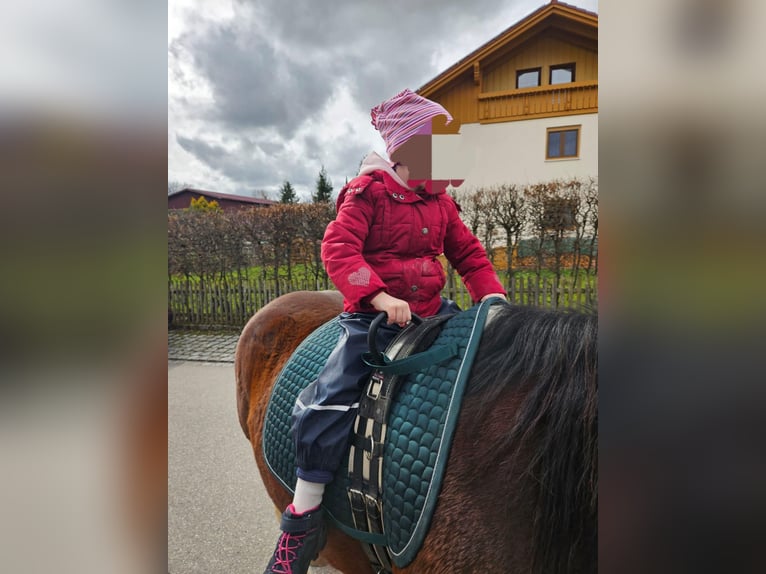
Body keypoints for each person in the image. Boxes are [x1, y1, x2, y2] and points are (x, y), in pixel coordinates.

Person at [264, 89, 506, 574]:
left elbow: (469, 255)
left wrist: (492, 297)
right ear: (408, 149)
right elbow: (338, 252)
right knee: (332, 397)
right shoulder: (367, 193)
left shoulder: (440, 201)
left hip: (432, 309)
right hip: (372, 315)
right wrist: (377, 295)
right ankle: (303, 516)